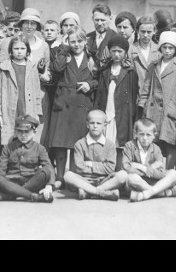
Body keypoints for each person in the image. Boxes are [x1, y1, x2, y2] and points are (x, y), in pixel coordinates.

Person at [47, 28, 98, 188]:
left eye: (79, 41)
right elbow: (56, 69)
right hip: (63, 103)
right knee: (61, 143)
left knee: (77, 143)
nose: (76, 44)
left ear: (85, 42)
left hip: (82, 104)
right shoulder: (64, 55)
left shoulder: (91, 59)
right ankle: (60, 177)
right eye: (72, 41)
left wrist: (90, 84)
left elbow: (98, 80)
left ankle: (73, 177)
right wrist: (63, 49)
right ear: (67, 42)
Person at [138, 32, 176, 175]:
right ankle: (154, 173)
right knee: (153, 144)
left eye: (170, 48)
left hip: (170, 110)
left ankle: (172, 174)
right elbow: (146, 88)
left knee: (171, 143)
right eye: (164, 47)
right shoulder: (153, 65)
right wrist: (143, 106)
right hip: (152, 111)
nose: (167, 51)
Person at [94, 34, 139, 170]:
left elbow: (133, 95)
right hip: (107, 109)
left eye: (120, 51)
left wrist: (131, 115)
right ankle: (105, 171)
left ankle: (119, 170)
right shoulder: (105, 70)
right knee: (105, 143)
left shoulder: (130, 71)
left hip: (121, 112)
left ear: (125, 53)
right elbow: (99, 93)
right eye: (113, 51)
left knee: (119, 144)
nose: (117, 54)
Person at [63, 110, 127, 201]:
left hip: (104, 180)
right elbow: (79, 167)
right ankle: (101, 193)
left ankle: (89, 193)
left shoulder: (110, 145)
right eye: (92, 123)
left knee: (123, 175)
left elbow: (110, 168)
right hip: (84, 180)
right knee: (68, 175)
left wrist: (90, 164)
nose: (95, 126)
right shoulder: (79, 144)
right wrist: (101, 166)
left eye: (98, 123)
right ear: (87, 125)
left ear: (104, 125)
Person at [0, 115, 55, 203]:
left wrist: (49, 186)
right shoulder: (8, 148)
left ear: (34, 132)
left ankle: (12, 195)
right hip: (11, 182)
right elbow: (0, 170)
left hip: (31, 182)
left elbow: (49, 167)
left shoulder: (39, 148)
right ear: (16, 132)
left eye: (27, 132)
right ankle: (28, 195)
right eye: (20, 131)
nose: (23, 135)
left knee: (45, 172)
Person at [0, 35, 43, 147]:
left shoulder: (32, 68)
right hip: (10, 110)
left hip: (28, 108)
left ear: (27, 50)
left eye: (22, 48)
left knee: (27, 140)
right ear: (11, 50)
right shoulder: (4, 67)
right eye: (16, 49)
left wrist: (37, 113)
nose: (19, 52)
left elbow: (37, 92)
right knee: (10, 141)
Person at [122, 119, 176, 202]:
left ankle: (148, 193)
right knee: (131, 178)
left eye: (148, 135)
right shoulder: (129, 146)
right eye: (141, 134)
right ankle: (163, 193)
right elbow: (126, 168)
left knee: (174, 174)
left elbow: (161, 173)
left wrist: (143, 168)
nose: (144, 138)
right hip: (138, 183)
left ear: (154, 136)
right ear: (135, 134)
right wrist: (152, 169)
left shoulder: (156, 149)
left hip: (154, 181)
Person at [132, 15, 161, 90]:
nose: (145, 35)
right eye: (143, 31)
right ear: (137, 30)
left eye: (149, 32)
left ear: (154, 31)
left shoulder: (159, 51)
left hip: (153, 95)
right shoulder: (131, 50)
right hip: (136, 94)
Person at [86, 4, 115, 68]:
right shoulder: (87, 37)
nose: (99, 23)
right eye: (96, 20)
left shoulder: (116, 38)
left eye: (103, 20)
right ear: (92, 18)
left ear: (110, 18)